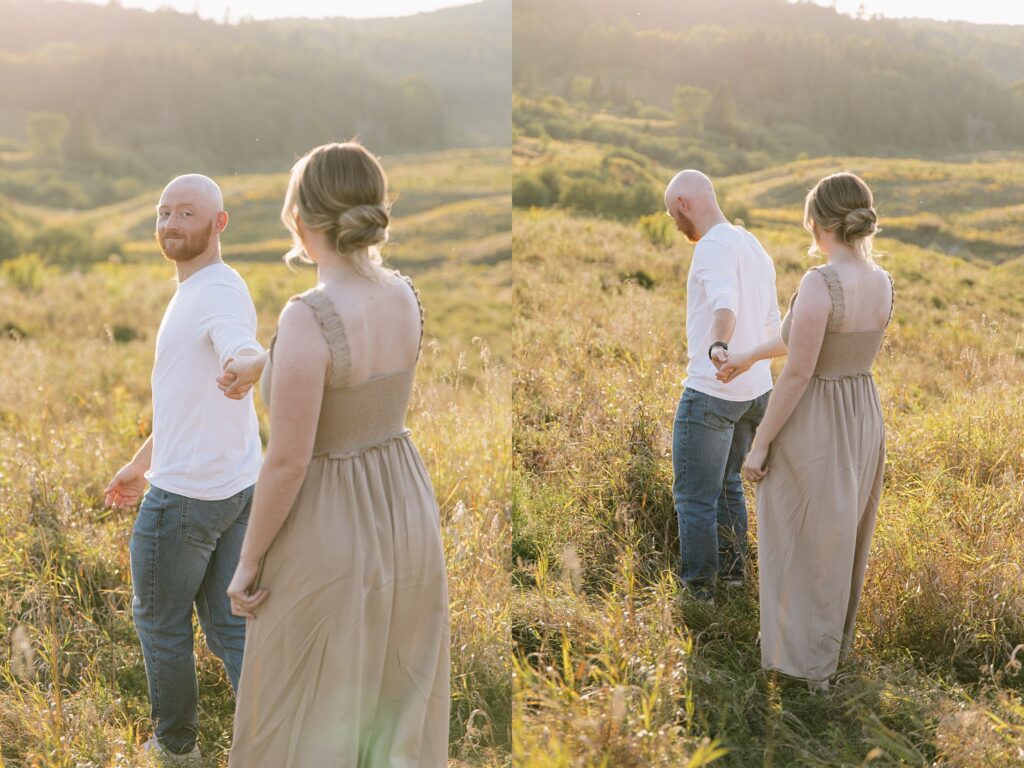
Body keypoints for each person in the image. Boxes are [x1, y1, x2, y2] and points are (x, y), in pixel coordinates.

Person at [221, 141, 450, 766]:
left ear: (300, 214)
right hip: (403, 506)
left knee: (302, 706)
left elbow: (289, 461)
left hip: (329, 521)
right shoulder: (404, 293)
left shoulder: (307, 315)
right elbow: (357, 377)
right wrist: (260, 363)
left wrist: (248, 562)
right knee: (391, 695)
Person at [104, 174, 263, 765]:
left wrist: (249, 363)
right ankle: (273, 737)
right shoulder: (210, 283)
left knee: (160, 624)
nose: (171, 223)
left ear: (219, 224)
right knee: (228, 628)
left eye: (187, 213)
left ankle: (176, 751)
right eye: (164, 212)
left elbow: (238, 346)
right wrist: (141, 462)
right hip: (234, 488)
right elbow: (185, 398)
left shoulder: (216, 295)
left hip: (187, 500)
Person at [722, 171, 893, 688]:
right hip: (862, 414)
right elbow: (803, 340)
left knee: (801, 538)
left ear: (817, 223)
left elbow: (800, 370)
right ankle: (825, 657)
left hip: (816, 414)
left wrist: (760, 443)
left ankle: (802, 668)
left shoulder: (820, 282)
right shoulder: (881, 281)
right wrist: (749, 353)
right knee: (841, 537)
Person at [665, 170, 782, 601]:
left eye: (672, 215)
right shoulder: (752, 245)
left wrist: (719, 345)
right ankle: (734, 579)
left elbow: (724, 302)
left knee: (694, 497)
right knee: (729, 484)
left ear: (684, 204)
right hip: (754, 394)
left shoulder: (712, 245)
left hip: (713, 393)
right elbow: (774, 325)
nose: (676, 226)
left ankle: (699, 594)